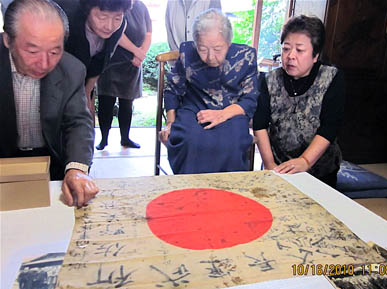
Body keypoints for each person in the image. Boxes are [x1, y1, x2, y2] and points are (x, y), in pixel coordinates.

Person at [0, 0, 98, 207]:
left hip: (51, 162)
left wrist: (77, 169)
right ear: (7, 39)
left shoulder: (72, 70)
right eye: (33, 51)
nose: (45, 64)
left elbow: (78, 123)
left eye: (55, 51)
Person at [159, 9, 258, 174]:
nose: (210, 56)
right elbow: (173, 90)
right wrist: (170, 122)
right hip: (195, 109)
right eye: (203, 49)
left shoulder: (245, 56)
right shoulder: (186, 52)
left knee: (230, 144)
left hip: (231, 111)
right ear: (196, 43)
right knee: (190, 141)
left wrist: (222, 114)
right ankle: (190, 190)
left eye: (218, 49)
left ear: (228, 41)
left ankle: (225, 192)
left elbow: (250, 100)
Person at [253, 15, 345, 188]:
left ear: (315, 55)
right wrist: (270, 165)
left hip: (319, 170)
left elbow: (330, 127)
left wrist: (305, 161)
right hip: (278, 167)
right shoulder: (269, 80)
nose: (290, 56)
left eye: (299, 50)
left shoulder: (331, 78)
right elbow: (260, 124)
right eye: (286, 49)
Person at [54, 0, 133, 120]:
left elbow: (101, 61)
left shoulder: (120, 27)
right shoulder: (65, 20)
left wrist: (87, 93)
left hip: (83, 78)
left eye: (117, 18)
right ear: (87, 10)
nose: (109, 26)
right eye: (102, 17)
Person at [96, 0, 152, 150]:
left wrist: (141, 54)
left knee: (127, 104)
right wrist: (136, 51)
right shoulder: (115, 4)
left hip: (133, 64)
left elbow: (148, 34)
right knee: (106, 103)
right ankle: (103, 139)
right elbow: (116, 32)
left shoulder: (141, 7)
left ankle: (125, 138)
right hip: (111, 62)